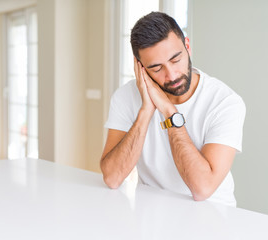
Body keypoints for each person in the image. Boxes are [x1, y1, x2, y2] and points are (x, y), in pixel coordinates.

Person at [100, 11, 245, 206]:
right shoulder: (124, 98)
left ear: (187, 46)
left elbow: (202, 189)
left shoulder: (225, 102)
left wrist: (170, 112)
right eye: (157, 68)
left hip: (212, 215)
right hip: (151, 215)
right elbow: (112, 178)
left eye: (176, 59)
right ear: (140, 67)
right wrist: (146, 111)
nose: (171, 75)